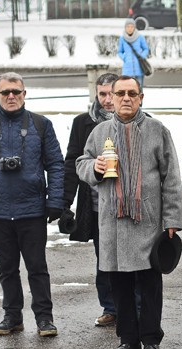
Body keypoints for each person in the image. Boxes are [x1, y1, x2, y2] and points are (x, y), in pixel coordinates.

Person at [77, 76, 182, 349]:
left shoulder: (157, 130)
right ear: (110, 97)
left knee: (149, 283)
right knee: (119, 286)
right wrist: (95, 168)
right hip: (111, 220)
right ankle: (127, 340)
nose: (126, 98)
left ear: (141, 98)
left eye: (131, 94)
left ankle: (150, 340)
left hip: (146, 220)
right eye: (120, 93)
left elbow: (171, 177)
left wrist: (172, 219)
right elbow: (81, 163)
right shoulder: (100, 132)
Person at [0, 72, 65, 337]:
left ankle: (44, 318)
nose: (11, 96)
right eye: (5, 92)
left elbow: (56, 164)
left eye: (16, 92)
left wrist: (55, 201)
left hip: (32, 210)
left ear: (24, 94)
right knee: (7, 268)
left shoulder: (41, 124)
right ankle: (12, 317)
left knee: (37, 268)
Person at [63, 72, 119, 327]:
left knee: (136, 259)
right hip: (96, 206)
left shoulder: (141, 121)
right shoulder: (83, 123)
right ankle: (110, 307)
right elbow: (72, 162)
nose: (107, 100)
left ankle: (136, 306)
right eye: (102, 94)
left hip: (129, 204)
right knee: (103, 258)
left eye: (112, 93)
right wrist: (63, 203)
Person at [118, 19, 149, 90]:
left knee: (139, 90)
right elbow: (119, 52)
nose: (130, 29)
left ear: (134, 27)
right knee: (128, 90)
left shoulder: (140, 37)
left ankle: (140, 102)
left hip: (139, 68)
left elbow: (146, 49)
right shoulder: (122, 38)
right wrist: (124, 57)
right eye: (128, 27)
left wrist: (142, 56)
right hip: (127, 69)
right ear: (125, 28)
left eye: (132, 27)